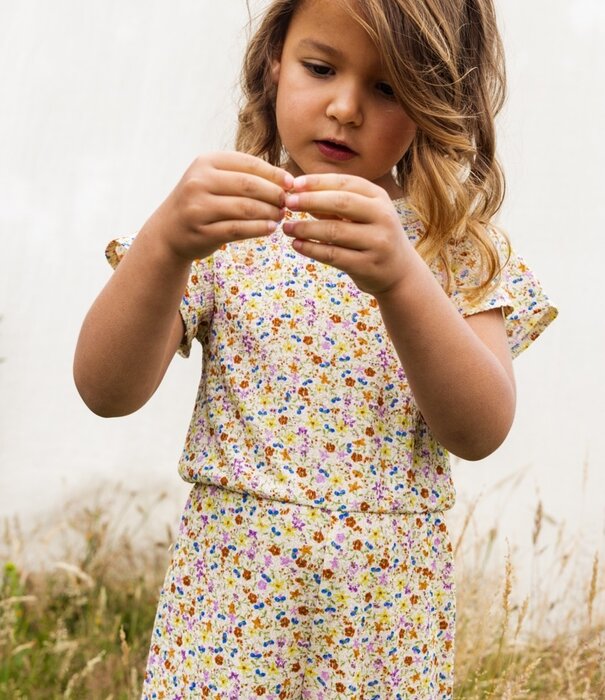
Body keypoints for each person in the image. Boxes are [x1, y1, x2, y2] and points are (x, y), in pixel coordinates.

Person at [73, 0, 557, 697]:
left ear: (435, 101)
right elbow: (105, 390)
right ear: (275, 61)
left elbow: (479, 431)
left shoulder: (455, 245)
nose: (345, 107)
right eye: (320, 67)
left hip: (383, 616)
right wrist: (165, 241)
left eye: (388, 87)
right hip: (231, 602)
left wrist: (399, 279)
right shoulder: (224, 223)